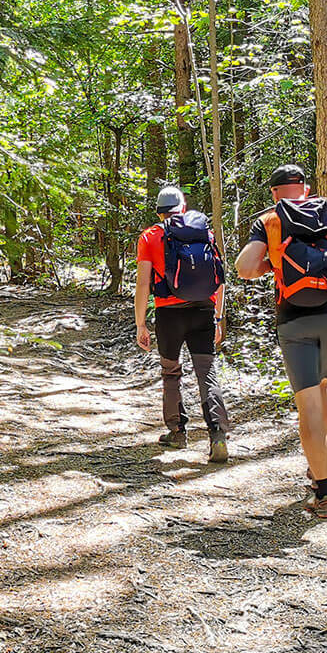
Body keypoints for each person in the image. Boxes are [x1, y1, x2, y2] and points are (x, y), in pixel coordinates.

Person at [235, 165, 327, 518]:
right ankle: (317, 465)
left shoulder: (270, 220)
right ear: (305, 189)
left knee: (307, 400)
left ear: (275, 193)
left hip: (294, 319)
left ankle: (323, 493)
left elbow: (244, 267)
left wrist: (274, 266)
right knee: (322, 389)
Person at [135, 186, 230, 463]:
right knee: (207, 373)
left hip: (169, 313)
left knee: (171, 372)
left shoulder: (150, 236)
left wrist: (141, 323)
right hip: (204, 310)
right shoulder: (204, 232)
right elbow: (219, 278)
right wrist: (218, 317)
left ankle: (177, 432)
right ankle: (218, 436)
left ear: (158, 211)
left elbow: (143, 283)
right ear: (183, 209)